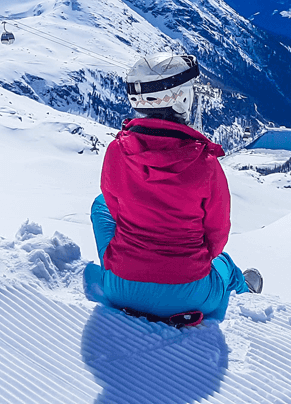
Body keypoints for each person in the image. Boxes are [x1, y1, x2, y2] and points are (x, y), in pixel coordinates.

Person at [84, 53, 262, 324]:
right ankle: (243, 287)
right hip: (190, 294)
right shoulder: (205, 164)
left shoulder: (116, 152)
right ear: (181, 99)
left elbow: (116, 209)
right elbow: (216, 236)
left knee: (101, 205)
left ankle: (125, 267)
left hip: (121, 288)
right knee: (223, 263)